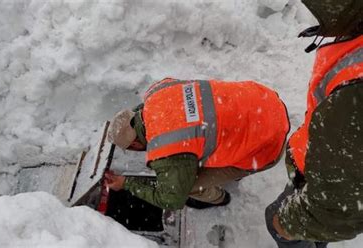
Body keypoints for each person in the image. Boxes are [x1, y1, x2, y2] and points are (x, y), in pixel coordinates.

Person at [105, 78, 290, 210]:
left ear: (136, 144)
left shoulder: (166, 149)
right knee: (200, 141)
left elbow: (172, 200)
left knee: (189, 185)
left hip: (268, 143)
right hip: (263, 99)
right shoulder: (158, 90)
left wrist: (127, 183)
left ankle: (219, 198)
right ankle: (232, 161)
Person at [265, 0, 363, 247]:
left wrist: (284, 224)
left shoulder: (354, 97)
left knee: (276, 219)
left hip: (318, 180)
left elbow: (338, 210)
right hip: (321, 166)